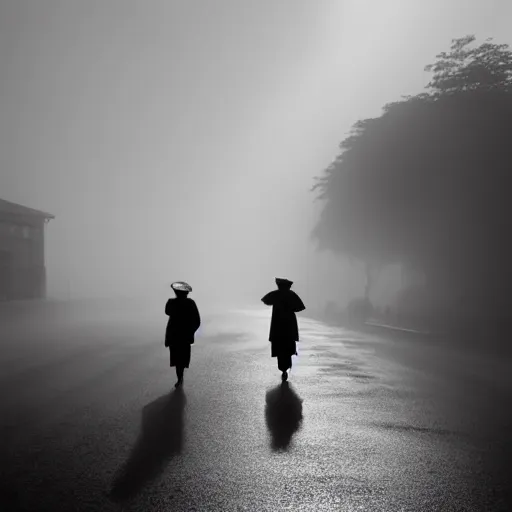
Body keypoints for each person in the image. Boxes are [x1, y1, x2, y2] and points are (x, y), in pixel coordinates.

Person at [261, 277, 305, 381]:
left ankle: (283, 370)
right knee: (288, 347)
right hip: (289, 324)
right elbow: (300, 307)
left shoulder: (275, 294)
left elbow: (265, 300)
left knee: (280, 348)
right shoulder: (291, 295)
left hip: (278, 324)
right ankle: (286, 368)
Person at [164, 281, 201, 388]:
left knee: (179, 360)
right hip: (180, 336)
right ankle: (180, 378)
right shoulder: (188, 303)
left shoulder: (174, 302)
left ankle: (180, 378)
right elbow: (197, 321)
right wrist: (191, 332)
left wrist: (190, 332)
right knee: (180, 360)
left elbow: (196, 321)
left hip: (178, 336)